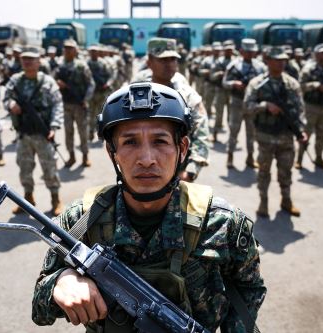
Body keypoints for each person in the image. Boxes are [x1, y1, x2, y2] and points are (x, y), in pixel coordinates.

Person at [31, 82, 266, 333]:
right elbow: (39, 309)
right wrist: (60, 282)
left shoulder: (223, 223)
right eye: (130, 142)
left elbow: (248, 289)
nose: (146, 159)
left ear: (182, 148)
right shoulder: (81, 220)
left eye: (160, 141)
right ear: (113, 152)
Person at [132, 37, 210, 182]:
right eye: (162, 60)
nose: (169, 65)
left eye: (173, 59)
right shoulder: (136, 93)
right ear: (149, 62)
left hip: (177, 172)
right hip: (140, 167)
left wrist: (191, 171)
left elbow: (202, 134)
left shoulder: (187, 95)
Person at [245, 47, 307, 217]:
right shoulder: (257, 83)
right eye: (277, 60)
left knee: (285, 171)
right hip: (265, 136)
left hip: (286, 136)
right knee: (264, 172)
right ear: (268, 61)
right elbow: (247, 107)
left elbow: (300, 110)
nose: (281, 63)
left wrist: (301, 130)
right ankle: (263, 202)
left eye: (284, 60)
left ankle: (286, 200)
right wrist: (265, 106)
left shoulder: (292, 84)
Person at [4, 46, 64, 216]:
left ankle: (55, 198)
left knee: (49, 168)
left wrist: (54, 126)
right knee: (24, 168)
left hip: (43, 133)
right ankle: (27, 199)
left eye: (31, 59)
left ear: (39, 61)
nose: (28, 62)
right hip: (24, 133)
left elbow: (57, 104)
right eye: (25, 59)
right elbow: (6, 98)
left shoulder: (47, 82)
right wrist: (10, 105)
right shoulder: (15, 81)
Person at [223, 38, 267, 169]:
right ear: (241, 51)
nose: (249, 54)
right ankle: (230, 156)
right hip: (237, 102)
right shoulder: (234, 66)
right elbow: (225, 82)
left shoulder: (261, 67)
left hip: (253, 104)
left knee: (251, 132)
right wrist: (234, 84)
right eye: (247, 51)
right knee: (234, 130)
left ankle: (250, 157)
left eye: (252, 51)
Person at [55, 38, 95, 168]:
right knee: (68, 132)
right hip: (65, 105)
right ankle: (71, 156)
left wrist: (85, 100)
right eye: (66, 48)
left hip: (80, 105)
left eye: (70, 48)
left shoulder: (81, 65)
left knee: (83, 131)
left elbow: (91, 84)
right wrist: (58, 84)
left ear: (76, 50)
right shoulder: (59, 66)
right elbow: (51, 82)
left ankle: (85, 156)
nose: (67, 51)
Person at [87, 45, 114, 142]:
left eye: (95, 51)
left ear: (98, 52)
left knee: (100, 114)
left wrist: (107, 84)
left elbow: (111, 75)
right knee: (90, 114)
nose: (93, 53)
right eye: (92, 51)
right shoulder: (86, 64)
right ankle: (90, 131)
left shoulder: (104, 63)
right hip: (90, 94)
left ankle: (100, 132)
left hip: (101, 92)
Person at [211, 40, 235, 142]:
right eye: (227, 50)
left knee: (232, 116)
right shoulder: (218, 61)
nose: (229, 52)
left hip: (233, 92)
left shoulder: (236, 62)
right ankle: (215, 133)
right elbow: (212, 76)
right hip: (220, 90)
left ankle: (232, 137)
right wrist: (219, 74)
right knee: (219, 114)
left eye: (231, 50)